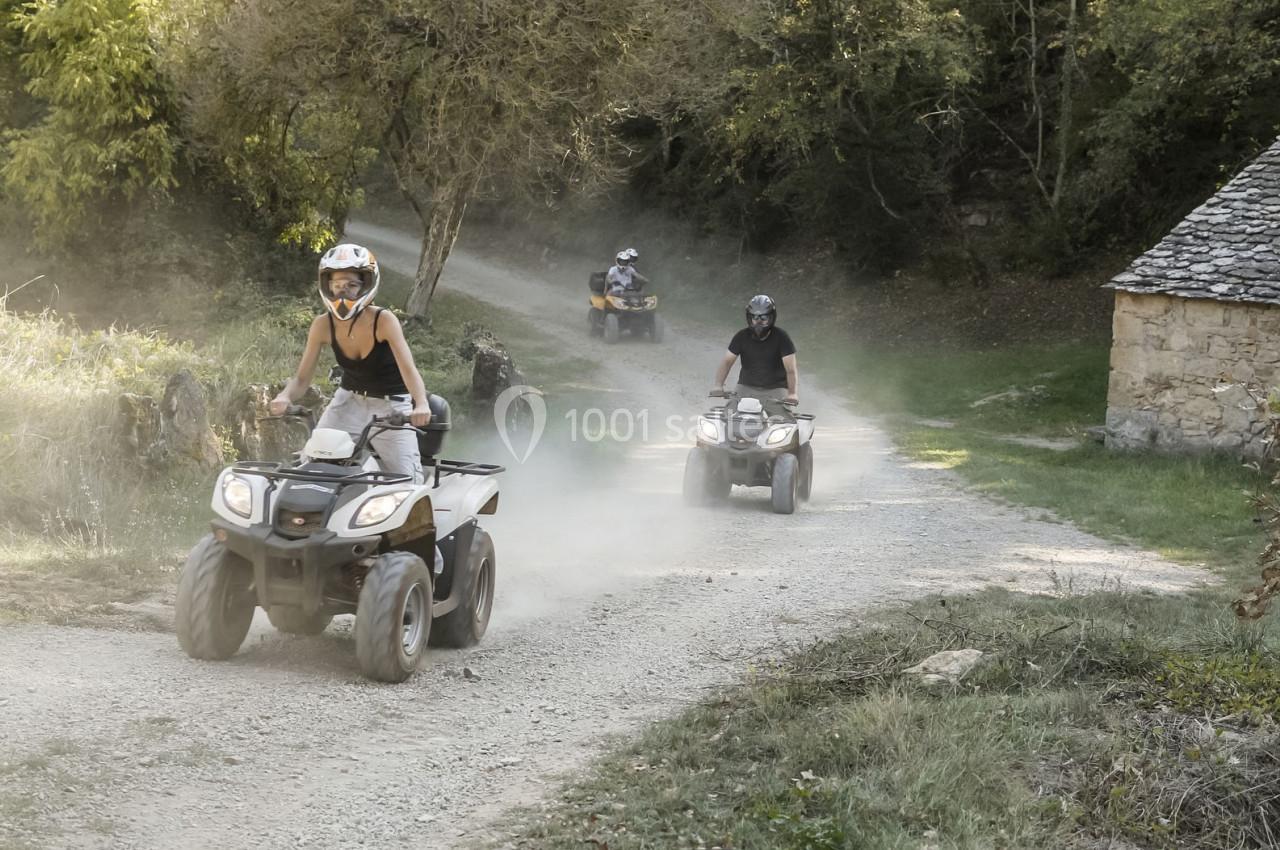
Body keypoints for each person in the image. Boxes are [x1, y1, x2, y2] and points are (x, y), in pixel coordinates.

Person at [269, 243, 433, 483]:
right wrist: (285, 396)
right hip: (348, 401)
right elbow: (302, 379)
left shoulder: (384, 320)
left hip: (392, 408)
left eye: (352, 285)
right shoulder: (322, 325)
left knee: (406, 481)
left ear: (366, 285)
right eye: (337, 285)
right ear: (327, 286)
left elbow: (409, 369)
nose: (343, 292)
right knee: (310, 463)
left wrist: (421, 404)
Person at [712, 294, 799, 404]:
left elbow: (790, 370)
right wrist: (718, 386)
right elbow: (727, 362)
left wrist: (792, 394)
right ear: (749, 318)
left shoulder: (782, 337)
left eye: (764, 318)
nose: (759, 322)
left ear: (772, 317)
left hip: (776, 389)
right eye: (755, 317)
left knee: (782, 420)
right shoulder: (741, 336)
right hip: (745, 387)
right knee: (729, 415)